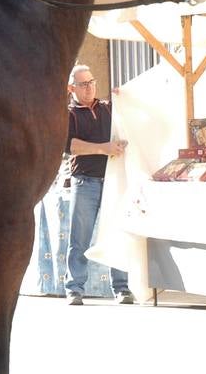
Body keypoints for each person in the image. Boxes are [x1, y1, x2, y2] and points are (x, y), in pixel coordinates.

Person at [64, 64, 132, 305]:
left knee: (117, 234)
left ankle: (122, 288)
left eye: (92, 82)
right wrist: (104, 149)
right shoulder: (68, 114)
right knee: (79, 239)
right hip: (85, 181)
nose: (89, 87)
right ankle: (74, 289)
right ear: (71, 88)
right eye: (83, 84)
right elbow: (70, 145)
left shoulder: (106, 107)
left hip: (113, 181)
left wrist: (126, 96)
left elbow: (131, 113)